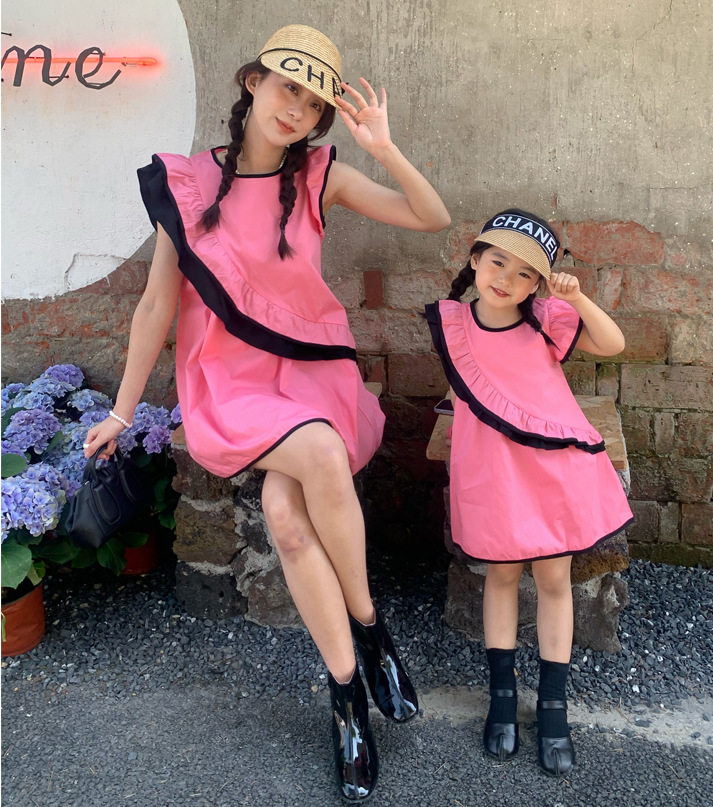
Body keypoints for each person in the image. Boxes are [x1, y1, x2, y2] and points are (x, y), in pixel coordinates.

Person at [84, 24, 450, 803]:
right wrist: (122, 410)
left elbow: (431, 217)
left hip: (312, 371)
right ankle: (369, 637)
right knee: (316, 457)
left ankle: (349, 685)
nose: (298, 111)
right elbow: (156, 306)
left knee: (288, 516)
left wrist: (382, 147)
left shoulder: (320, 175)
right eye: (289, 88)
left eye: (314, 104)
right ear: (252, 82)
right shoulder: (188, 185)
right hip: (232, 381)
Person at [424, 209, 633, 776]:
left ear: (537, 284)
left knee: (554, 580)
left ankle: (553, 708)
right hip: (492, 471)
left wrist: (577, 298)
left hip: (549, 471)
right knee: (500, 576)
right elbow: (465, 390)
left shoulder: (546, 320)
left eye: (524, 274)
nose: (506, 280)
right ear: (476, 259)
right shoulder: (453, 324)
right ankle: (501, 699)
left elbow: (612, 343)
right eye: (498, 262)